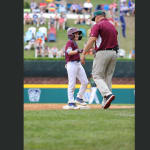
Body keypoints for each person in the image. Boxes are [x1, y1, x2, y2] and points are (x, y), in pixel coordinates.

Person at [80, 10, 119, 109]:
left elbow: (92, 39)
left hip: (103, 52)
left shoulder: (98, 25)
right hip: (114, 53)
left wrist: (83, 53)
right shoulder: (112, 25)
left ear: (98, 17)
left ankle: (108, 95)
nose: (94, 21)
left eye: (95, 18)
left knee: (96, 76)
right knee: (107, 77)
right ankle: (105, 102)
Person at [63, 27, 89, 110]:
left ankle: (79, 98)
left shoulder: (74, 42)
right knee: (72, 84)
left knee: (85, 82)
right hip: (71, 64)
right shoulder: (70, 42)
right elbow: (69, 52)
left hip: (77, 64)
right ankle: (71, 102)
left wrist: (80, 55)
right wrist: (78, 51)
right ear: (71, 35)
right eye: (76, 33)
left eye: (78, 33)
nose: (78, 35)